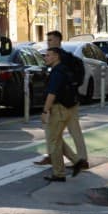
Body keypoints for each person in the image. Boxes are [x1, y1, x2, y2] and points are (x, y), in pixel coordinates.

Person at [39, 30, 89, 172]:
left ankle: (77, 159)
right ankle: (79, 159)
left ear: (58, 41)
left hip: (62, 103)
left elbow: (55, 87)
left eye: (50, 40)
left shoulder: (63, 58)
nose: (48, 42)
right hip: (71, 101)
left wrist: (46, 109)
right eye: (47, 40)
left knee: (56, 133)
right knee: (69, 132)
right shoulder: (63, 57)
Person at [39, 46, 80, 182]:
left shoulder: (57, 73)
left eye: (48, 55)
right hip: (68, 108)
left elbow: (52, 93)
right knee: (57, 139)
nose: (45, 57)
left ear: (56, 56)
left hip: (58, 109)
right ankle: (76, 160)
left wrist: (45, 111)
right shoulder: (64, 70)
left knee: (53, 141)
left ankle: (59, 173)